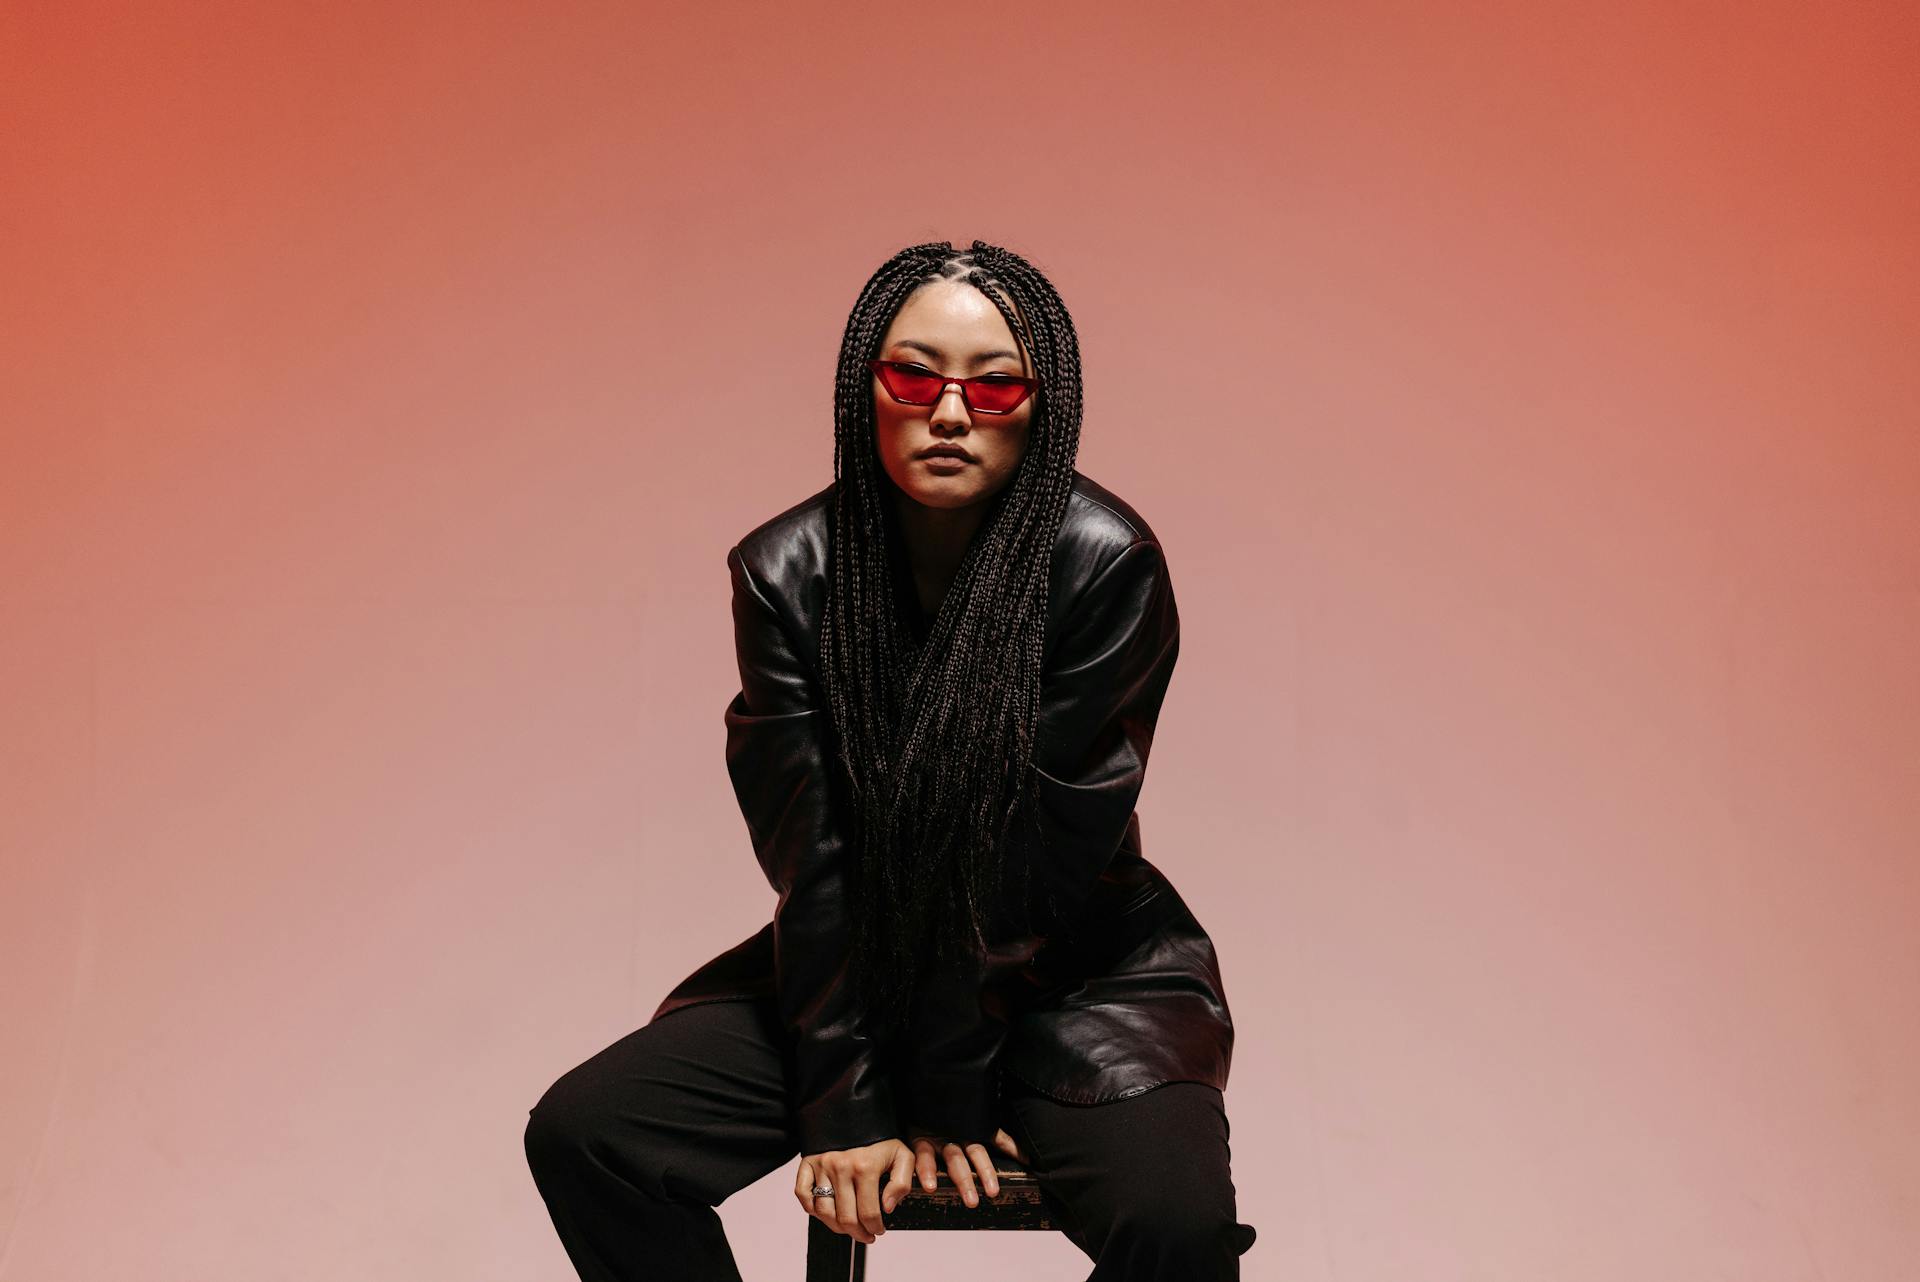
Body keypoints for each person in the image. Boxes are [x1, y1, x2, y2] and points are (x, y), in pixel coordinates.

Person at [523, 239, 1256, 1280]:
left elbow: (1025, 869)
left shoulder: (1107, 565)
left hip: (1077, 978)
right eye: (914, 377)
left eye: (994, 386)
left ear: (1040, 405)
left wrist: (938, 1094)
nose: (949, 413)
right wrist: (851, 1103)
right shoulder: (784, 573)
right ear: (865, 386)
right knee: (590, 1134)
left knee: (1177, 1231)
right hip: (857, 966)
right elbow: (812, 861)